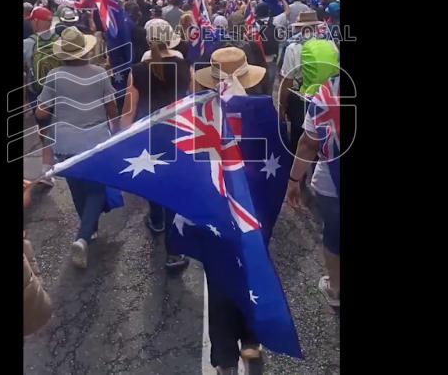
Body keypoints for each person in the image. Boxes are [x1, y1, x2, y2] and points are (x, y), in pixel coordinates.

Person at [191, 46, 267, 375]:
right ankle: (251, 339)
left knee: (219, 276)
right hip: (253, 205)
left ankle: (224, 358)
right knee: (252, 268)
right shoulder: (262, 109)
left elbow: (191, 160)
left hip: (215, 204)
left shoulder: (198, 111)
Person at [35, 27, 120, 269]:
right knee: (96, 190)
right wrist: (115, 129)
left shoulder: (53, 75)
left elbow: (41, 111)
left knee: (76, 186)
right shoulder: (100, 73)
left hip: (64, 142)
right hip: (95, 141)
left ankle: (88, 229)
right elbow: (111, 106)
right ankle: (83, 236)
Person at [119, 19, 191, 272]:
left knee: (153, 178)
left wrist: (121, 141)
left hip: (149, 134)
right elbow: (193, 100)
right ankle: (174, 253)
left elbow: (129, 110)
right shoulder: (184, 65)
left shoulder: (137, 70)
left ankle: (157, 219)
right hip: (179, 133)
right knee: (174, 187)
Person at [285, 72, 341, 309]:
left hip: (332, 180)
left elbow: (308, 144)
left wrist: (294, 180)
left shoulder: (328, 91)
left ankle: (335, 289)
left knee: (333, 234)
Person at [278, 12, 338, 155]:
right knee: (321, 138)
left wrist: (282, 106)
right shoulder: (330, 44)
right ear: (315, 26)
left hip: (301, 99)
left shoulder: (292, 47)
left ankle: (299, 175)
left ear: (299, 28)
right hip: (326, 98)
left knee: (300, 141)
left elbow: (287, 81)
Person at [24, 6, 59, 188]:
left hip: (37, 93)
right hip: (58, 92)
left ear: (36, 21)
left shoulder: (28, 43)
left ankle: (47, 170)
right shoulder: (59, 41)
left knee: (43, 130)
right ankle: (53, 163)